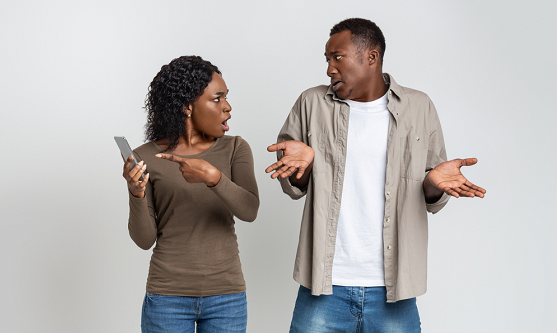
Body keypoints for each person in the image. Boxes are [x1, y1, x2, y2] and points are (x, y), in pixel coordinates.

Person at [265, 18, 486, 332]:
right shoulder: (311, 103)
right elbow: (294, 185)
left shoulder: (419, 107)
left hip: (394, 290)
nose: (329, 68)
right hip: (324, 285)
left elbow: (430, 194)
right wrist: (305, 166)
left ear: (371, 57)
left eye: (337, 57)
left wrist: (433, 184)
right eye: (327, 59)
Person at [121, 55, 259, 333]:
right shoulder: (145, 156)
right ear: (186, 107)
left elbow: (249, 210)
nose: (228, 107)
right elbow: (145, 240)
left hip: (226, 295)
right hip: (167, 297)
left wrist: (214, 178)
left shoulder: (235, 149)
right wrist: (136, 194)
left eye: (226, 97)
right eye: (217, 98)